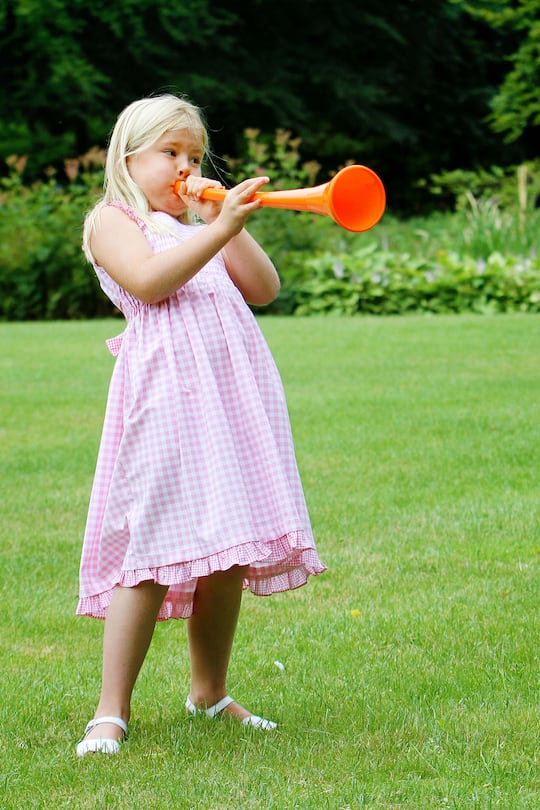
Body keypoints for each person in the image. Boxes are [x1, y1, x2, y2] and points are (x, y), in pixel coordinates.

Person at [75, 93, 326, 756]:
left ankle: (209, 693)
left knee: (229, 550)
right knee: (150, 552)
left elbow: (264, 288)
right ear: (129, 156)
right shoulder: (113, 220)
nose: (186, 167)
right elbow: (151, 283)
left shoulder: (200, 229)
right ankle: (110, 710)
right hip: (164, 401)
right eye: (171, 154)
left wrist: (227, 224)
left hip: (229, 402)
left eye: (194, 154)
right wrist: (214, 231)